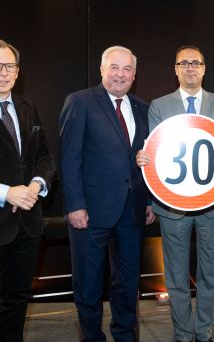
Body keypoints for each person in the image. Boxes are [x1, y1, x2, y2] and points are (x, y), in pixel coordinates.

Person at [136, 45, 214, 342]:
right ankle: (182, 333)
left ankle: (203, 331)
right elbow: (154, 151)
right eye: (184, 63)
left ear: (204, 68)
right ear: (175, 69)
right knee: (176, 276)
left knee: (211, 273)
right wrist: (144, 158)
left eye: (196, 63)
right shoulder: (159, 105)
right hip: (171, 205)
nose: (190, 67)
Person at [59, 45, 154, 342]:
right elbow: (69, 158)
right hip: (90, 211)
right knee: (88, 283)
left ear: (134, 75)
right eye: (114, 67)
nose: (120, 74)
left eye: (127, 69)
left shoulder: (142, 106)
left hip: (132, 210)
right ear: (102, 69)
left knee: (127, 282)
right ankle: (92, 337)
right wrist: (75, 205)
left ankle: (125, 335)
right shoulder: (80, 102)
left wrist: (149, 200)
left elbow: (147, 156)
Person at [0, 39, 56, 341]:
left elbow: (45, 158)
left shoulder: (28, 108)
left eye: (9, 66)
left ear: (17, 72)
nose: (3, 72)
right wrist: (6, 192)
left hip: (27, 224)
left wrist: (36, 185)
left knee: (17, 299)